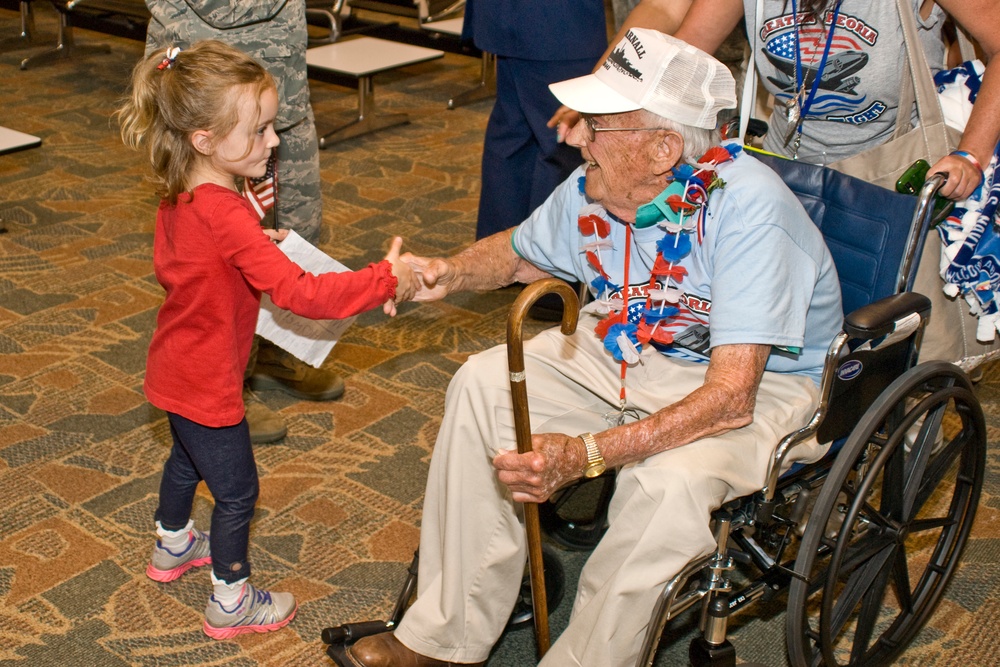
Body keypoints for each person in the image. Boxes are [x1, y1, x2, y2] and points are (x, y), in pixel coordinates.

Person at [339, 29, 843, 667]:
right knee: (483, 385)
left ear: (664, 147)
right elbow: (520, 251)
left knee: (669, 483)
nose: (574, 135)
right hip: (633, 345)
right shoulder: (600, 187)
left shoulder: (749, 213)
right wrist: (442, 271)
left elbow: (730, 397)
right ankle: (444, 636)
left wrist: (588, 454)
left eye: (598, 122)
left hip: (760, 381)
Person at [117, 40, 415, 639]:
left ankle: (172, 545)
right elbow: (301, 296)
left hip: (173, 367)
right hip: (209, 378)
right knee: (237, 492)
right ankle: (231, 598)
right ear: (204, 138)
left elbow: (186, 265)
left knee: (184, 460)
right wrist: (386, 277)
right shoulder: (227, 213)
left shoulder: (183, 191)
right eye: (257, 131)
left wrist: (250, 249)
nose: (274, 141)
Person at [563, 0, 1000, 203]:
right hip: (788, 168)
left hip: (893, 175)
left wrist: (971, 154)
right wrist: (603, 104)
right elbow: (681, 54)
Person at [145, 0, 341, 444]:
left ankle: (276, 353)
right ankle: (225, 384)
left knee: (294, 228)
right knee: (215, 257)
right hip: (208, 72)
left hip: (280, 75)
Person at [465, 0, 608, 241]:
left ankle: (500, 261)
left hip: (519, 18)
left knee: (515, 139)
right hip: (555, 20)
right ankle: (546, 263)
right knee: (564, 143)